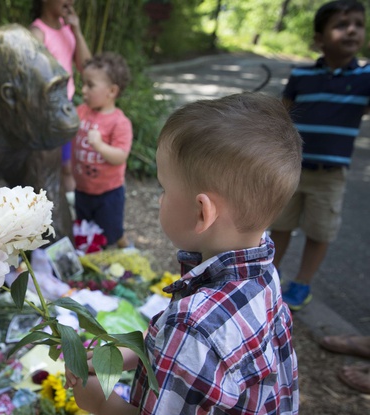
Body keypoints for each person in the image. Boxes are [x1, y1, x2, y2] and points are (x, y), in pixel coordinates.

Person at [65, 93, 302, 414]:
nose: (160, 199)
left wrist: (99, 401)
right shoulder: (263, 270)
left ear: (202, 213)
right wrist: (145, 351)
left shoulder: (193, 324)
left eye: (164, 188)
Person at [269, 0, 370, 311]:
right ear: (319, 38)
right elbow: (282, 114)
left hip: (330, 175)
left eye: (358, 24)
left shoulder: (366, 78)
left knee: (319, 230)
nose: (352, 29)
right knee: (280, 224)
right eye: (341, 24)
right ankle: (270, 274)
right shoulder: (302, 75)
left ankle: (302, 283)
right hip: (293, 167)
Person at [29, 0, 92, 198]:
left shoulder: (68, 29)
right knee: (47, 167)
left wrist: (77, 31)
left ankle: (70, 217)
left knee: (67, 166)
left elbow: (87, 67)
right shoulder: (37, 33)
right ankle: (44, 215)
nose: (71, 1)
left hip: (67, 106)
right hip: (48, 110)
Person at [71, 52, 132, 248]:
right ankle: (92, 256)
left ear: (112, 91)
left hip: (108, 193)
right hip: (82, 189)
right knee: (86, 230)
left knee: (109, 233)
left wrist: (99, 146)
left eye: (90, 85)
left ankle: (124, 248)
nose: (84, 90)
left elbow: (120, 156)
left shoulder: (119, 122)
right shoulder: (81, 111)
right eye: (83, 84)